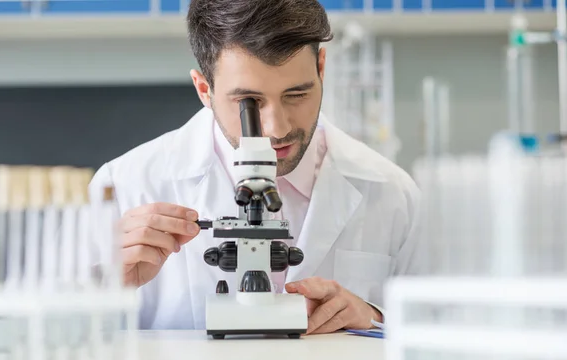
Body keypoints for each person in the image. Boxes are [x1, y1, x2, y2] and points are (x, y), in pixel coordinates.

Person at [88, 0, 423, 334]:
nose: (276, 129)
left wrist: (375, 319)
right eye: (249, 102)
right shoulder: (124, 187)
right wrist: (109, 290)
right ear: (205, 89)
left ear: (321, 67)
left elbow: (438, 335)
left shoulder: (393, 194)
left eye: (296, 95)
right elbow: (61, 350)